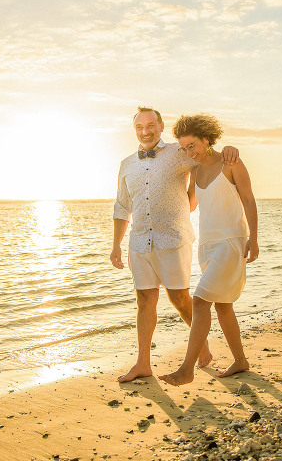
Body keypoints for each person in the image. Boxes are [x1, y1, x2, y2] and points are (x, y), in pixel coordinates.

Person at [111, 107, 239, 383]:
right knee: (144, 300)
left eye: (150, 126)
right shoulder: (126, 164)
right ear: (135, 130)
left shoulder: (177, 153)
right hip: (139, 242)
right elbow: (122, 207)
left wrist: (229, 149)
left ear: (160, 126)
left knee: (179, 298)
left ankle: (201, 346)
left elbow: (205, 157)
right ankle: (143, 363)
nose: (145, 131)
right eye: (139, 127)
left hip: (174, 238)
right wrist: (116, 245)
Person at [159, 113, 259, 386]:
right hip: (207, 245)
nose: (189, 151)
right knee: (224, 307)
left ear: (207, 139)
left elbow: (249, 199)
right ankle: (240, 361)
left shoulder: (230, 162)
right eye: (184, 148)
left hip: (230, 242)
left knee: (201, 301)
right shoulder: (194, 170)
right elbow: (189, 204)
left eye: (193, 145)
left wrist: (254, 238)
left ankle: (186, 368)